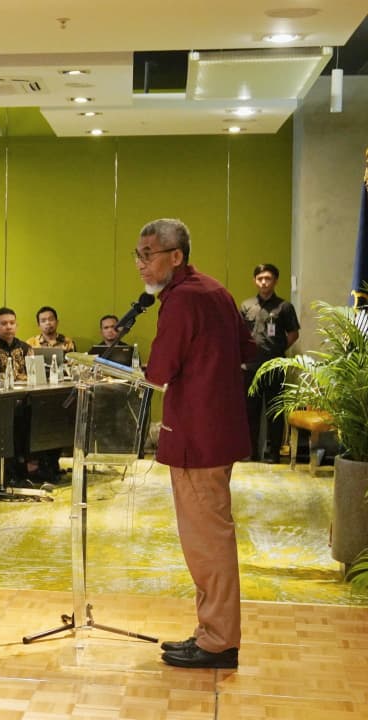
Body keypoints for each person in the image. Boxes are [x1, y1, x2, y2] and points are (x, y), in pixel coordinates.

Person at [136, 218, 255, 669]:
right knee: (210, 538)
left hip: (197, 438)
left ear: (176, 256)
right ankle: (212, 632)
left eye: (149, 254)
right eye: (138, 255)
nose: (141, 264)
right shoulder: (215, 291)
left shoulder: (183, 299)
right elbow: (247, 348)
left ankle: (218, 641)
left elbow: (159, 370)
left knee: (206, 543)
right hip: (216, 432)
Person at [241, 263, 300, 463]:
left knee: (274, 411)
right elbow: (240, 334)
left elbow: (293, 334)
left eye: (268, 278)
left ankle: (273, 453)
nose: (264, 282)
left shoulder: (284, 307)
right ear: (254, 281)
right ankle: (250, 452)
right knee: (250, 411)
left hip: (274, 366)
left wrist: (277, 349)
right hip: (250, 367)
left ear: (275, 281)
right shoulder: (247, 306)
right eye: (260, 278)